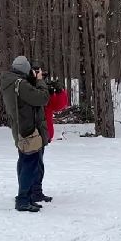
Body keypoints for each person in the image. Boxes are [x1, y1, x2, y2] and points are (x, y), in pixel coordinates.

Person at [0, 55, 51, 213]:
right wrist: (40, 81)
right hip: (28, 130)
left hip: (20, 127)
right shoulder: (20, 84)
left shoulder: (11, 81)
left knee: (25, 162)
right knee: (30, 164)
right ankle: (22, 199)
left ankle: (26, 197)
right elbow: (42, 98)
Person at [28, 62, 70, 204]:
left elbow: (59, 105)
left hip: (43, 133)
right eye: (39, 74)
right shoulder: (27, 89)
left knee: (37, 164)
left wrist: (59, 91)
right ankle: (31, 192)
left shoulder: (43, 90)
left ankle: (34, 191)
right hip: (31, 131)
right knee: (32, 164)